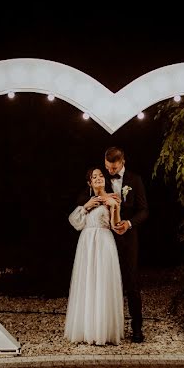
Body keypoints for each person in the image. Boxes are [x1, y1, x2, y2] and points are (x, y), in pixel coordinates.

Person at [64, 168, 125, 345]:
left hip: (105, 241)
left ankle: (103, 330)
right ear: (89, 183)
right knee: (87, 282)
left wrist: (114, 208)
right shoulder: (87, 200)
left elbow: (116, 225)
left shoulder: (113, 198)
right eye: (94, 177)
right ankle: (86, 328)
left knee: (103, 282)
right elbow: (75, 222)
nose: (98, 178)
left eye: (100, 176)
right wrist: (86, 207)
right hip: (87, 243)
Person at [103, 146, 149, 342]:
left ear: (122, 162)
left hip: (128, 238)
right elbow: (84, 198)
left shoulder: (135, 180)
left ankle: (137, 328)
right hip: (105, 237)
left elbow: (144, 210)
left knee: (132, 283)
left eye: (113, 168)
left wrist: (129, 224)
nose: (110, 171)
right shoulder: (101, 179)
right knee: (105, 282)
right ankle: (106, 328)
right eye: (107, 167)